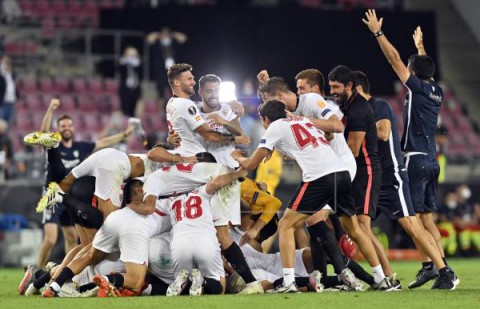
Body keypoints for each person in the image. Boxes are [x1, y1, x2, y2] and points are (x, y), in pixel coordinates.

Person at [232, 100, 392, 293]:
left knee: (285, 225)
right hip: (342, 172)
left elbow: (250, 164)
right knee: (355, 229)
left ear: (265, 119)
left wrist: (236, 157)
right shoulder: (303, 121)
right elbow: (329, 134)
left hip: (319, 177)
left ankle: (289, 282)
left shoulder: (274, 127)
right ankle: (381, 279)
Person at [362, 9, 460, 289]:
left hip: (415, 161)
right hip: (432, 160)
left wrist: (378, 33)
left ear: (414, 73)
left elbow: (393, 60)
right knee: (427, 220)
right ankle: (436, 267)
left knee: (414, 220)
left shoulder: (416, 88)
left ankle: (439, 271)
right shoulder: (436, 90)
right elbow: (425, 67)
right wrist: (419, 48)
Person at [353, 70, 454, 290]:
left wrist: (356, 131)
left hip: (392, 175)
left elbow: (384, 133)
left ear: (358, 88)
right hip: (373, 177)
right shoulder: (359, 110)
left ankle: (444, 271)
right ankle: (387, 278)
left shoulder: (378, 106)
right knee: (362, 227)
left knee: (413, 224)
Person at [25, 98, 136, 269]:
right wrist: (50, 109)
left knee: (72, 237)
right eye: (62, 126)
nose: (66, 128)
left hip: (69, 194)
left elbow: (103, 143)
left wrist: (124, 135)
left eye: (69, 125)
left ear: (73, 127)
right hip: (54, 190)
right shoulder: (50, 138)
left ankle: (68, 270)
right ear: (58, 129)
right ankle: (36, 270)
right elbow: (42, 132)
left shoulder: (81, 146)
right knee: (50, 238)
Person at [328, 65, 394, 283]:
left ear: (350, 86)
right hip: (356, 172)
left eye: (337, 87)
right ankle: (376, 276)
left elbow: (353, 150)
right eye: (331, 87)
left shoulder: (357, 109)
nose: (333, 91)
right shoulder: (347, 107)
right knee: (350, 225)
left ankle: (388, 277)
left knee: (363, 228)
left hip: (365, 172)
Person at [154, 168, 248, 296]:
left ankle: (187, 280)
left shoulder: (170, 200)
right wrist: (237, 174)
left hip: (180, 243)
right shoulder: (200, 191)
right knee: (220, 287)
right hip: (205, 239)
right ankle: (202, 281)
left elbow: (149, 203)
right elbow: (216, 183)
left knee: (183, 286)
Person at [165, 63, 249, 157]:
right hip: (205, 164)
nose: (214, 95)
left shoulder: (229, 109)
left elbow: (239, 132)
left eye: (217, 91)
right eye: (209, 91)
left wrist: (224, 121)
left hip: (227, 164)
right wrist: (170, 139)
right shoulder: (193, 108)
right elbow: (209, 135)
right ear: (201, 92)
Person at [146, 27, 187, 98]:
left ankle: (174, 105)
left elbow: (183, 38)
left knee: (175, 89)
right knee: (160, 92)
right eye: (163, 34)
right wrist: (158, 34)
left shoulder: (173, 43)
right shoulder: (157, 44)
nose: (165, 36)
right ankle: (161, 105)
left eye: (167, 34)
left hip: (173, 71)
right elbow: (148, 39)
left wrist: (173, 34)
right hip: (160, 71)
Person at [118, 46, 142, 117]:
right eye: (130, 55)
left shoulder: (138, 64)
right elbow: (118, 70)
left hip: (135, 88)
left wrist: (137, 64)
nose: (132, 57)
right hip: (125, 89)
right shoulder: (122, 63)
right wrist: (125, 61)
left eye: (134, 55)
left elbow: (141, 74)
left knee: (134, 110)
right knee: (125, 109)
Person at [0, 55, 17, 127]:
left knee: (8, 125)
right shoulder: (1, 75)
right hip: (2, 104)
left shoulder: (11, 75)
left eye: (8, 63)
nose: (7, 64)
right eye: (5, 62)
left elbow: (12, 87)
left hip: (10, 103)